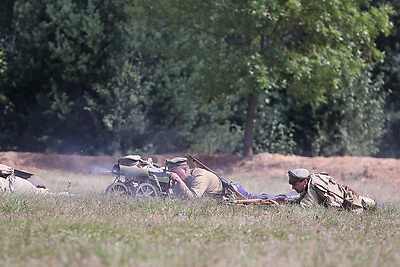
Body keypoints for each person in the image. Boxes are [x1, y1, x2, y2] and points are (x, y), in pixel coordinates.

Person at [166, 157, 288, 200]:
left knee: (255, 200)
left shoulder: (200, 177)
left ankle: (282, 198)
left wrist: (178, 181)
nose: (174, 176)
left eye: (175, 173)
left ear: (186, 169)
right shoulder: (189, 177)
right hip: (225, 194)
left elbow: (192, 198)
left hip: (233, 193)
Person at [288, 168, 377, 212]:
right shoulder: (312, 179)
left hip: (359, 204)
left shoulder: (313, 188)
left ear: (304, 181)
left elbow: (303, 209)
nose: (293, 188)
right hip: (351, 199)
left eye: (295, 184)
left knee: (375, 205)